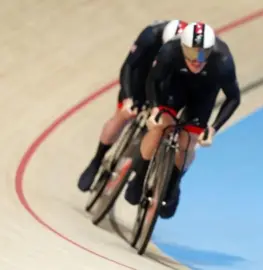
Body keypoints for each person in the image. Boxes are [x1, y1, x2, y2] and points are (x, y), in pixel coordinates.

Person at [123, 21, 241, 219]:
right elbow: (153, 80)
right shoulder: (170, 51)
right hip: (174, 88)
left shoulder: (223, 61)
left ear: (211, 51)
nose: (197, 60)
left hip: (203, 95)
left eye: (203, 54)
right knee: (160, 126)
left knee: (188, 143)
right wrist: (154, 108)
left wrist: (213, 128)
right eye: (192, 53)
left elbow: (233, 98)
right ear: (182, 48)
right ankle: (140, 174)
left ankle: (173, 183)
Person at [77, 19, 189, 192]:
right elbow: (128, 67)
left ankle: (142, 170)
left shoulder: (191, 50)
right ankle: (97, 159)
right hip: (142, 76)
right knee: (123, 115)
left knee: (163, 125)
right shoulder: (150, 36)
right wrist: (129, 99)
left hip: (167, 82)